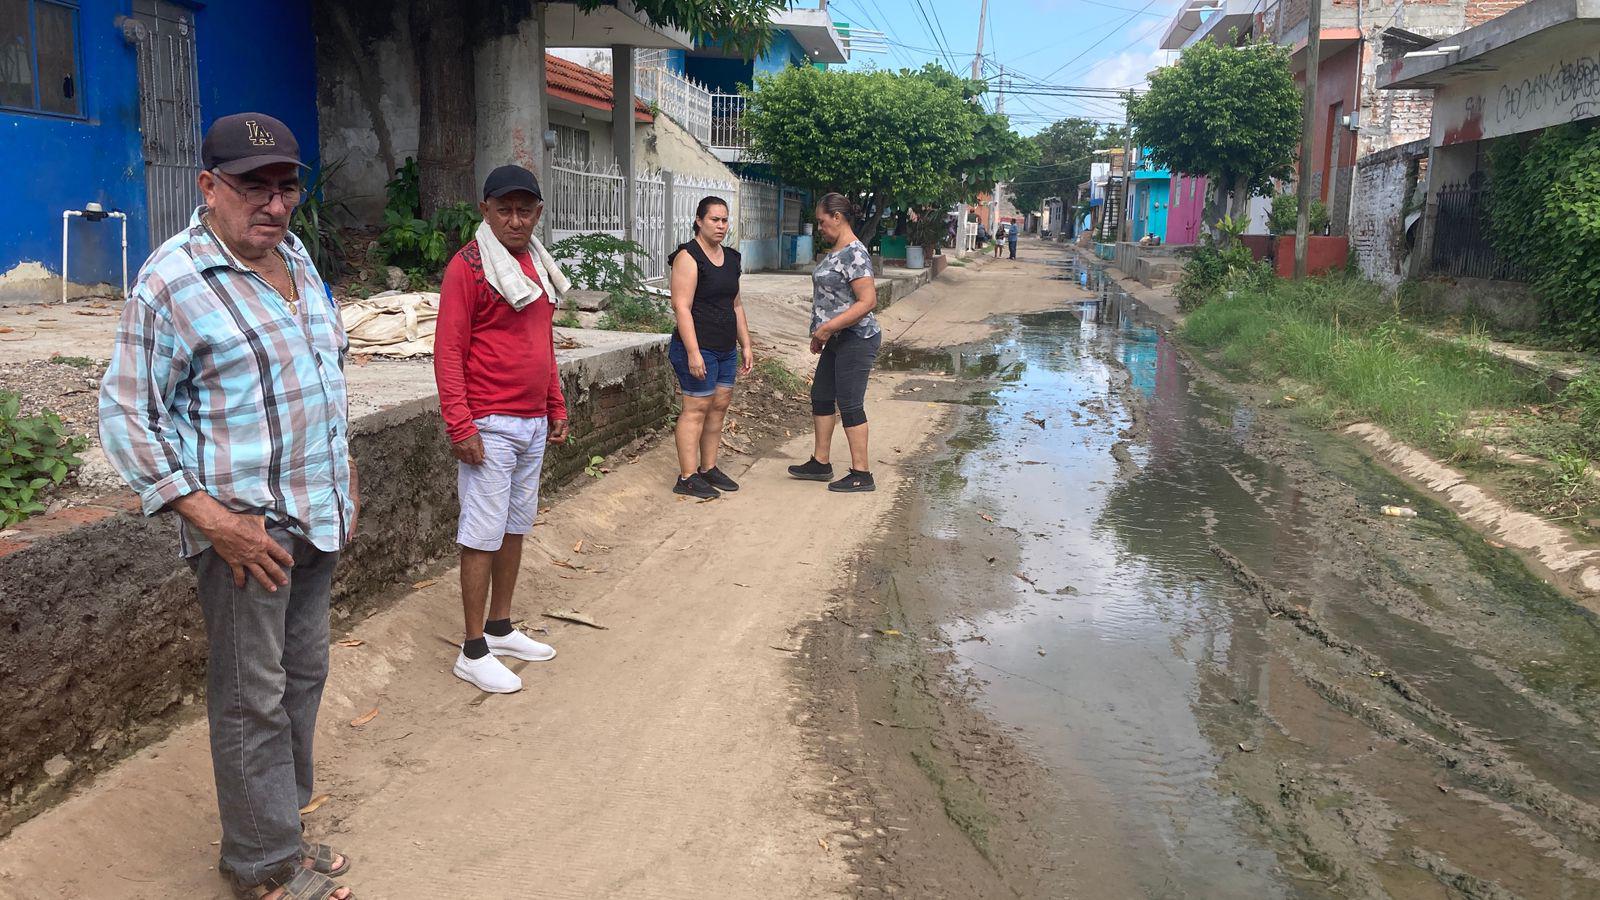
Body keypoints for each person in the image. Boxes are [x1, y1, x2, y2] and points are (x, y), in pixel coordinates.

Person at [99, 112, 356, 900]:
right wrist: (211, 520)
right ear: (209, 186)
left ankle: (278, 831)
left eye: (286, 187)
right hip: (247, 531)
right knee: (252, 698)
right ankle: (262, 867)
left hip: (316, 512)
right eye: (253, 188)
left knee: (302, 676)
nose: (274, 205)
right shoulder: (171, 281)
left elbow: (323, 371)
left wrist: (344, 473)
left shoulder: (294, 257)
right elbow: (126, 413)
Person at [433, 164, 571, 694]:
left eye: (525, 211)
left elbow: (543, 344)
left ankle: (500, 627)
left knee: (514, 527)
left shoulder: (536, 264)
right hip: (489, 423)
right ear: (485, 211)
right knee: (481, 533)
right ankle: (472, 650)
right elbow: (448, 351)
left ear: (538, 214)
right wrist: (460, 426)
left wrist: (555, 404)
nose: (515, 220)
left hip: (531, 421)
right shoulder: (468, 268)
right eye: (505, 210)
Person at [788, 193, 881, 493]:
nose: (819, 227)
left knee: (850, 404)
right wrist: (822, 333)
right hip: (837, 337)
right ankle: (820, 462)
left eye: (822, 221)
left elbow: (867, 301)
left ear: (837, 217)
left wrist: (827, 329)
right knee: (822, 395)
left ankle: (862, 473)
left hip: (857, 337)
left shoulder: (855, 253)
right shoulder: (836, 251)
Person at [667, 196, 753, 499]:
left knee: (718, 405)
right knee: (696, 408)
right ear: (699, 221)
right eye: (714, 219)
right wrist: (693, 352)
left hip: (725, 348)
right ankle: (687, 476)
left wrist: (746, 344)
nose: (721, 225)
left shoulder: (732, 258)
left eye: (724, 220)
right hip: (697, 347)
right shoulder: (688, 257)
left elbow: (736, 304)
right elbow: (681, 307)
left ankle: (708, 467)